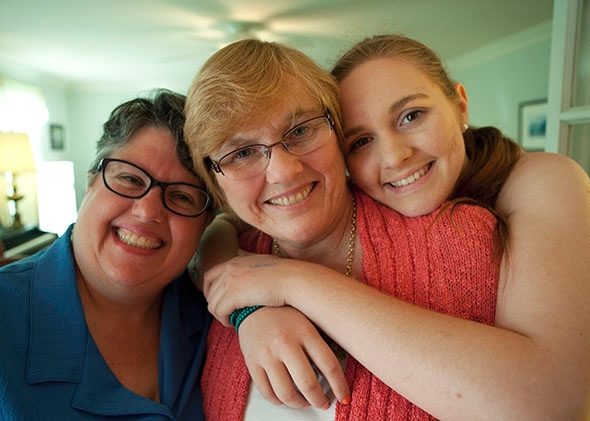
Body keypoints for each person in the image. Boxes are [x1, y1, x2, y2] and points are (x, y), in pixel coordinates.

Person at [184, 36, 590, 420]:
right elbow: (223, 226)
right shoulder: (236, 254)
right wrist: (247, 308)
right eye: (361, 141)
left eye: (301, 130)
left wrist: (293, 281)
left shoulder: (519, 202)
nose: (395, 157)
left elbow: (550, 397)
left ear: (461, 105)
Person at [0, 89, 213, 420]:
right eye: (129, 178)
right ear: (90, 182)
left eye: (183, 197)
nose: (147, 211)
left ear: (206, 224)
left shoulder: (213, 316)